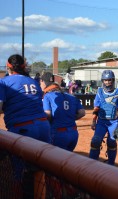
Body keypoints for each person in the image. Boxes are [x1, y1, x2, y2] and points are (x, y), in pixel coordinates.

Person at [0, 54, 51, 198]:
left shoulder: (4, 82)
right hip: (43, 126)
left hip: (23, 128)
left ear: (8, 66)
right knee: (40, 169)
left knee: (19, 172)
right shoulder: (32, 81)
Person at [40, 72, 86, 151]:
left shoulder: (47, 96)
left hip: (58, 134)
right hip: (73, 133)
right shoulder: (70, 96)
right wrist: (68, 118)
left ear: (43, 82)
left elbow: (48, 114)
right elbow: (82, 112)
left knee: (55, 161)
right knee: (67, 160)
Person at [89, 70, 118, 165]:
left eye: (109, 80)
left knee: (112, 142)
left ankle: (111, 164)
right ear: (102, 81)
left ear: (113, 80)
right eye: (105, 80)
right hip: (101, 122)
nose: (107, 82)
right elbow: (96, 108)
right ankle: (91, 164)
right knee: (96, 141)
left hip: (113, 122)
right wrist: (93, 121)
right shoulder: (100, 92)